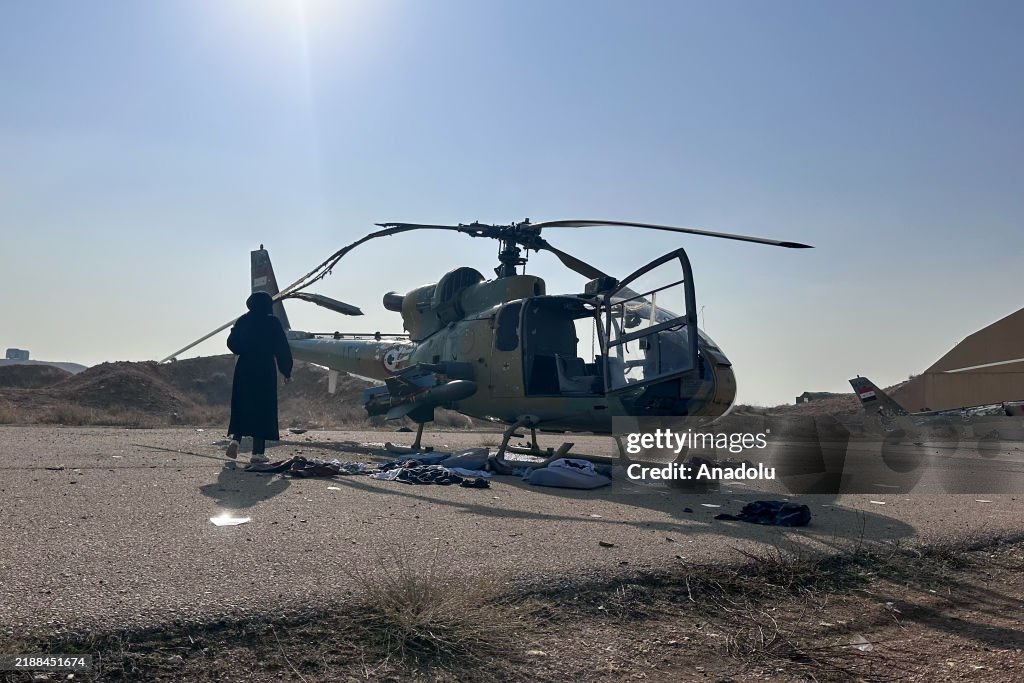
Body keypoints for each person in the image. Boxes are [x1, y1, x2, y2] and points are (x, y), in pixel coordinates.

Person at [225, 292, 293, 463]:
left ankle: (235, 440)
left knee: (243, 404)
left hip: (244, 367)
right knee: (262, 408)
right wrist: (286, 371)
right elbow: (282, 348)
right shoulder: (272, 322)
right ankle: (257, 453)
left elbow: (231, 342)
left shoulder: (243, 321)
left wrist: (245, 349)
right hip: (264, 368)